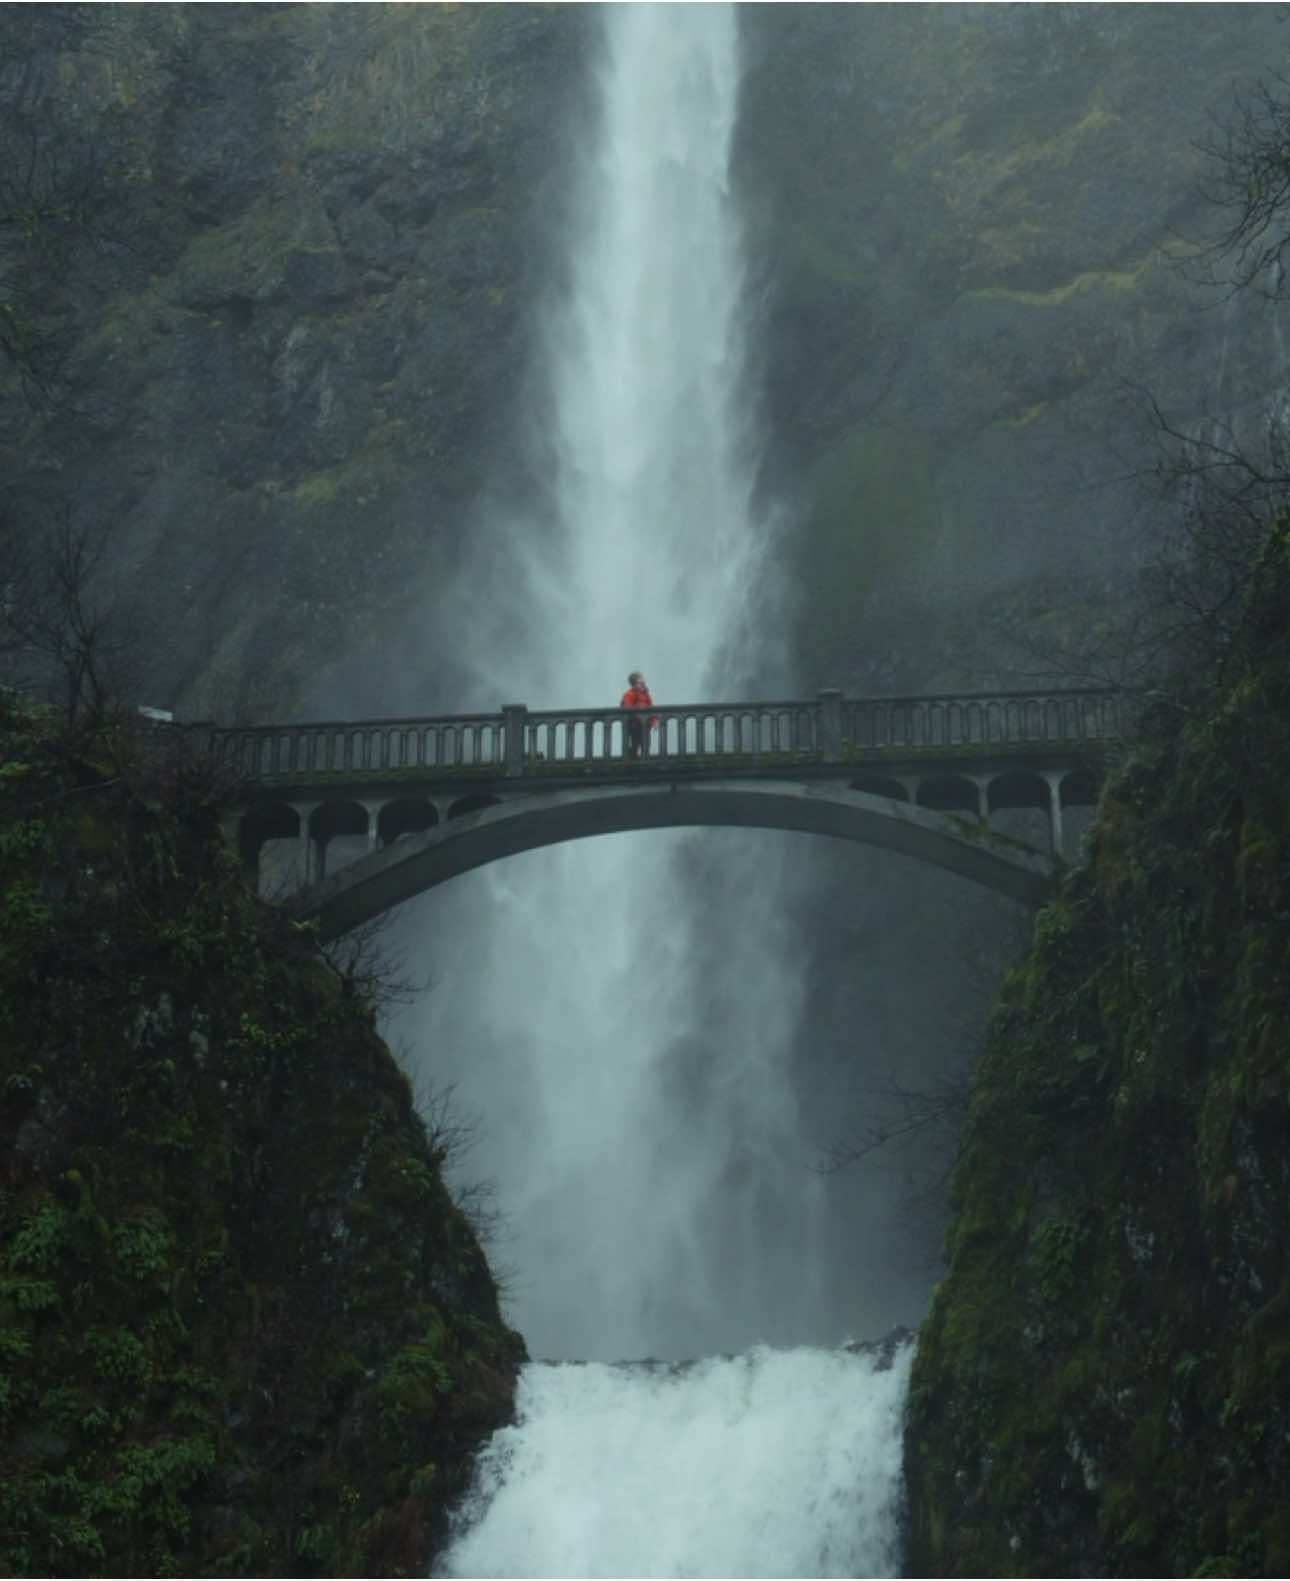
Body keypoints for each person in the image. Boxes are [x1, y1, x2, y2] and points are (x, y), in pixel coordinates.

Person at [620, 670, 653, 759]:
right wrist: (637, 712)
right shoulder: (630, 694)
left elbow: (651, 709)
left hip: (646, 723)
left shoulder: (646, 695)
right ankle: (633, 755)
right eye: (640, 682)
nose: (643, 684)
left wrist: (655, 721)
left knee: (646, 742)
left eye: (643, 682)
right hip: (635, 724)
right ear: (634, 685)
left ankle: (644, 757)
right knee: (636, 741)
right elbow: (627, 707)